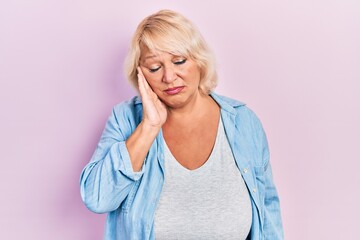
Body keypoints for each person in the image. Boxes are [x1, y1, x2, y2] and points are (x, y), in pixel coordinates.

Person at [80, 9, 284, 240]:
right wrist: (148, 127)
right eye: (155, 68)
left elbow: (268, 211)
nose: (169, 77)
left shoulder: (243, 121)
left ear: (199, 60)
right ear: (140, 75)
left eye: (179, 61)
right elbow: (98, 198)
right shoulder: (125, 119)